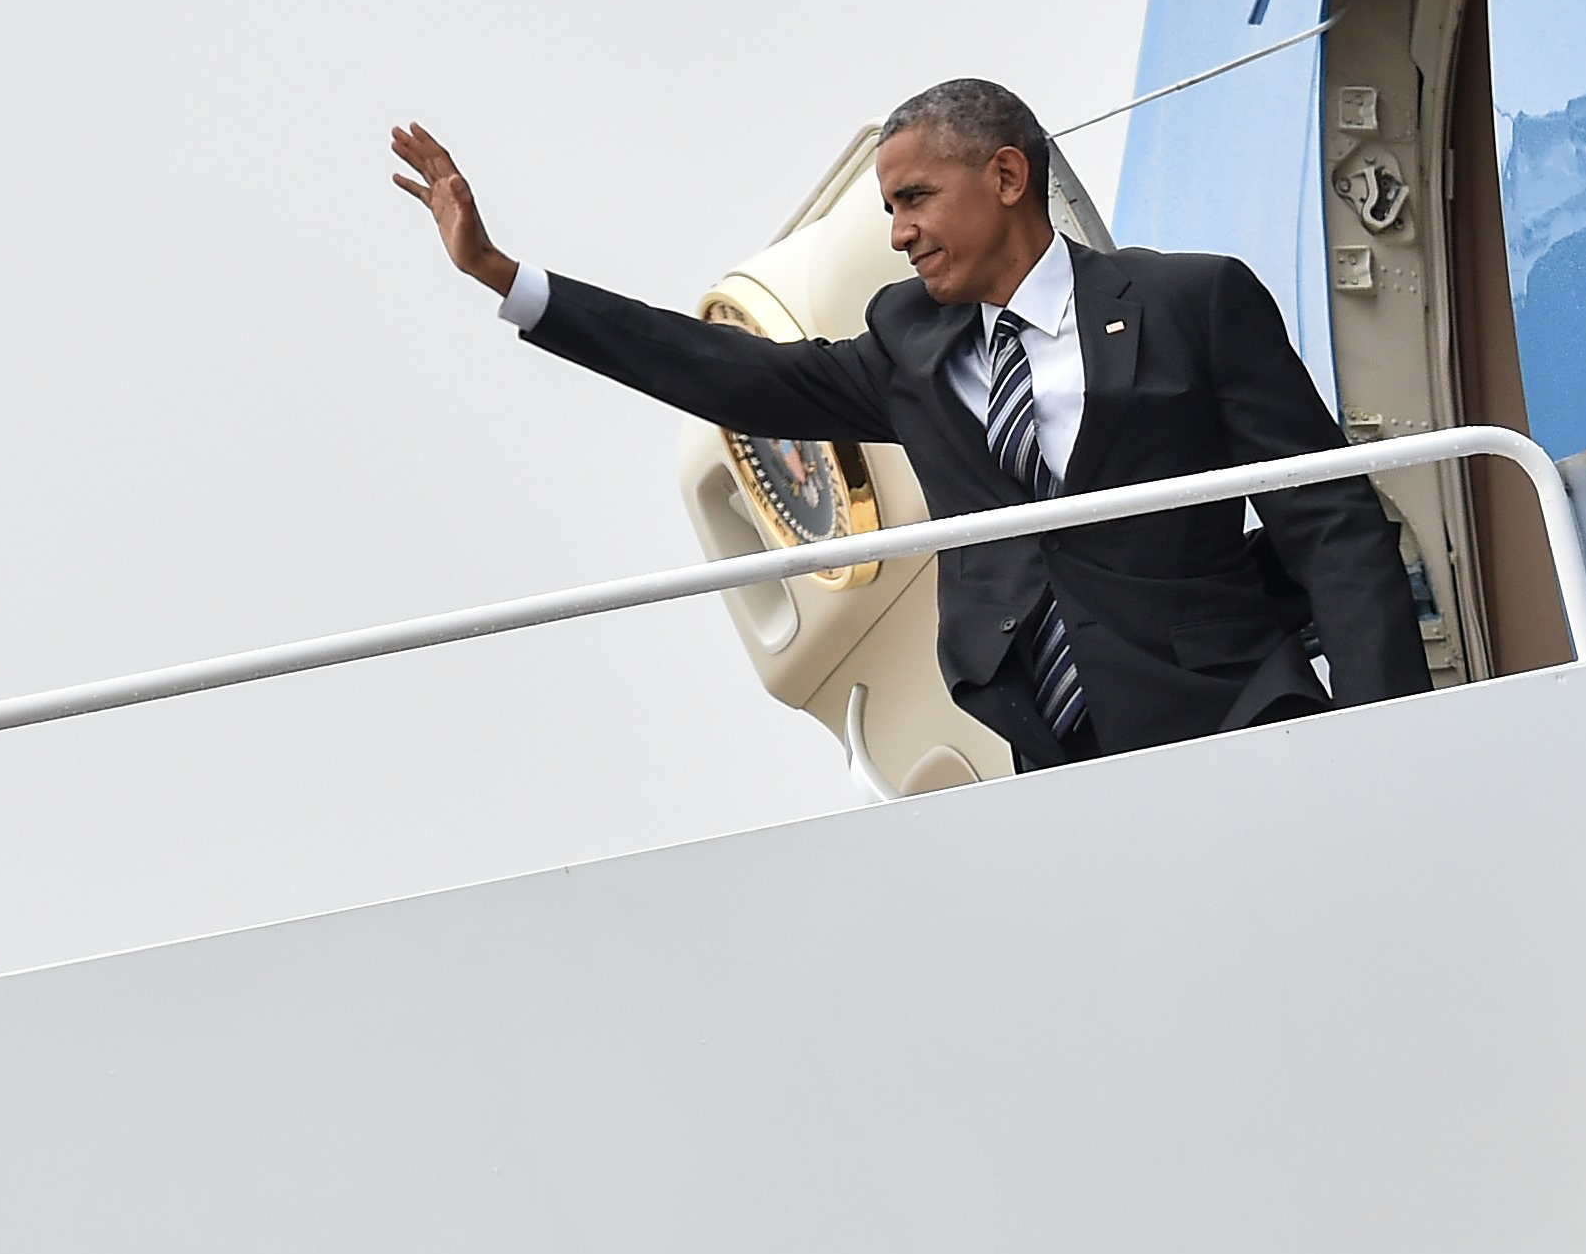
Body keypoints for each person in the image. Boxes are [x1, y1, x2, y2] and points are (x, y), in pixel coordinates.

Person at [390, 79, 1425, 770]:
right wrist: (509, 279)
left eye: (916, 197)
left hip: (1238, 721)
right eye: (889, 207)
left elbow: (1329, 524)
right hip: (1054, 754)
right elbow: (730, 374)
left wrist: (1402, 739)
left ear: (1008, 178)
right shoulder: (908, 345)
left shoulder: (1190, 304)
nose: (899, 234)